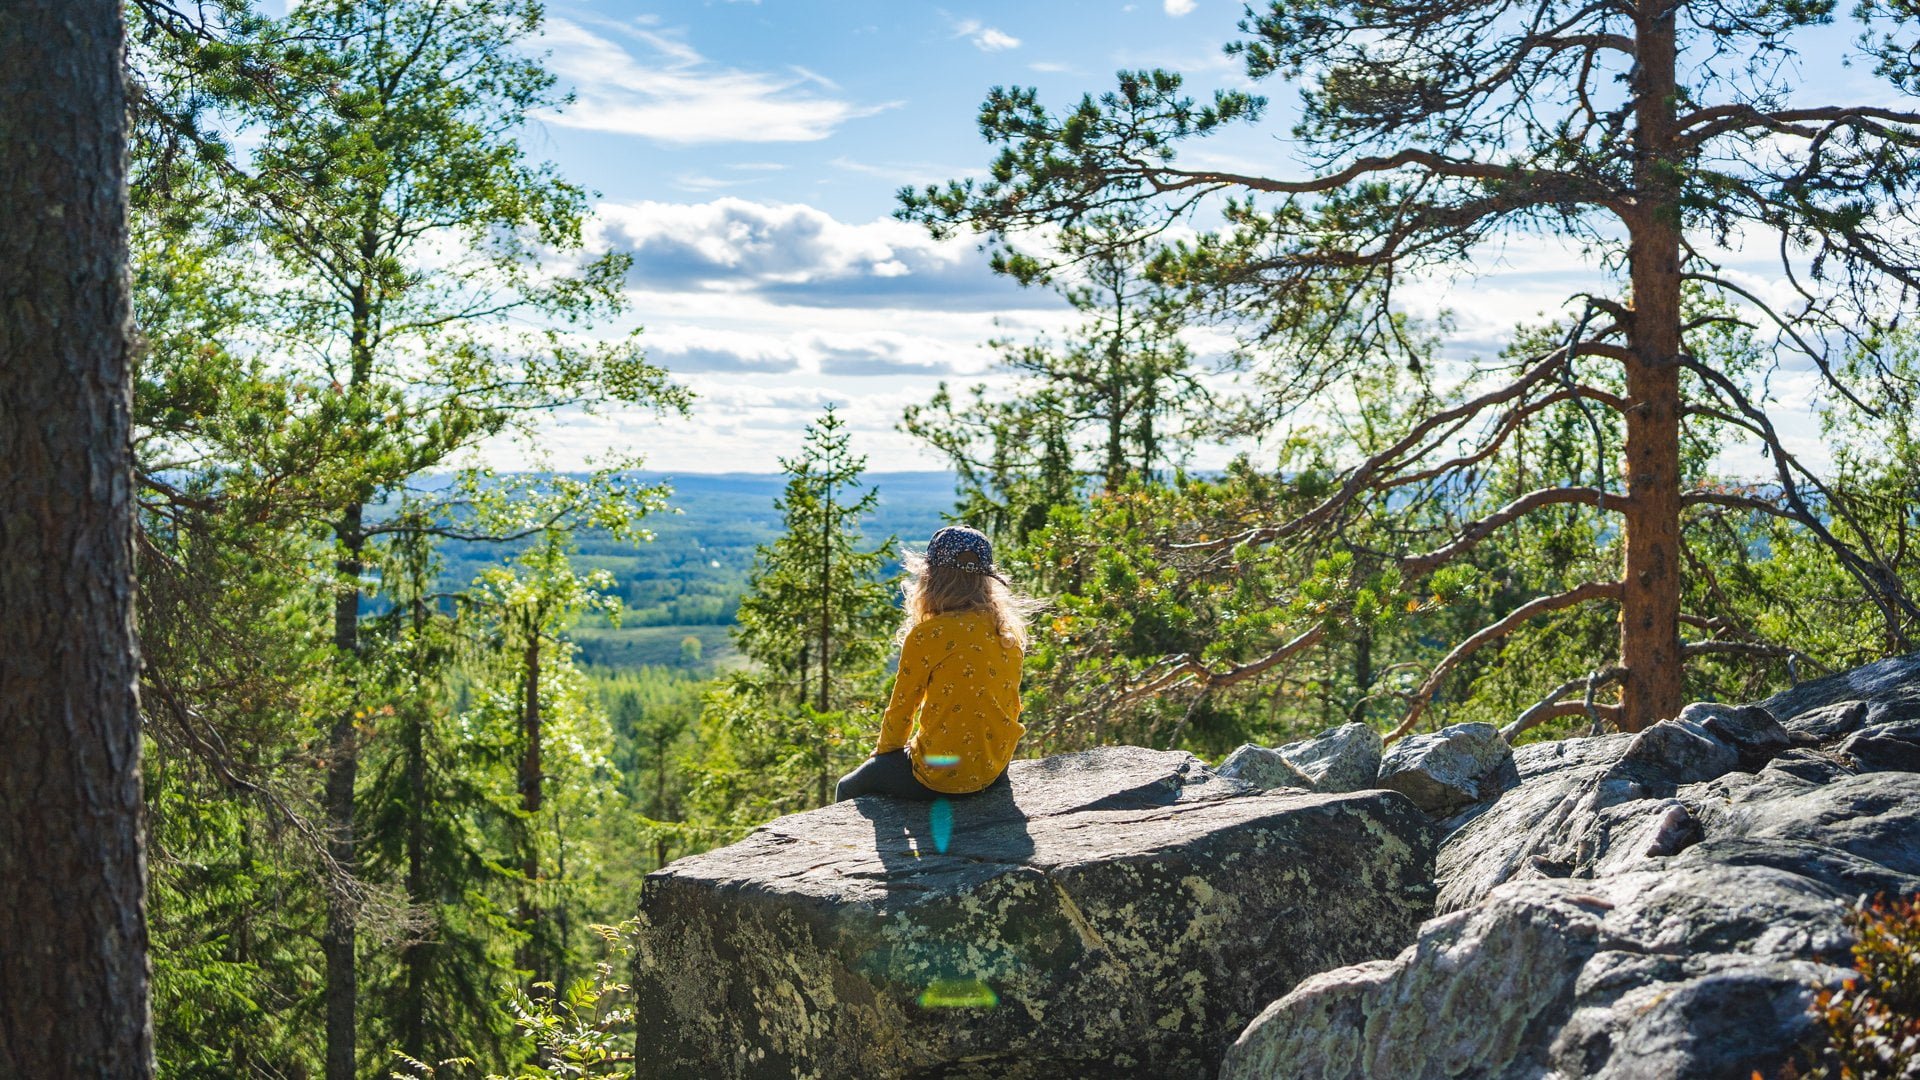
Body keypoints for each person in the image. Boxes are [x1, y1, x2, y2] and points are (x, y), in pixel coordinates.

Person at [834, 525, 1037, 802]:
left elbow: (903, 709)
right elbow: (1009, 704)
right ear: (986, 580)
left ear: (931, 577)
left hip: (939, 776)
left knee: (847, 787)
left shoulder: (928, 635)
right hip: (994, 768)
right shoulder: (1005, 630)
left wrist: (884, 759)